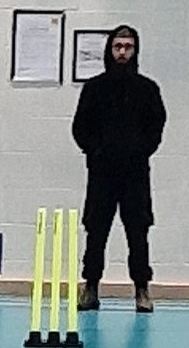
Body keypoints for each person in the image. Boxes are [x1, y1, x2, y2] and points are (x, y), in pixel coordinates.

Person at [69, 23, 165, 313]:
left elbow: (156, 128)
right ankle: (91, 288)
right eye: (118, 47)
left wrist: (139, 151)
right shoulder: (94, 88)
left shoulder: (148, 89)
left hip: (135, 174)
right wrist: (96, 152)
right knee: (96, 231)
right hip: (101, 174)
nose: (122, 52)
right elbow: (79, 128)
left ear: (135, 51)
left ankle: (141, 290)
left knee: (138, 232)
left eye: (128, 47)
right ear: (109, 50)